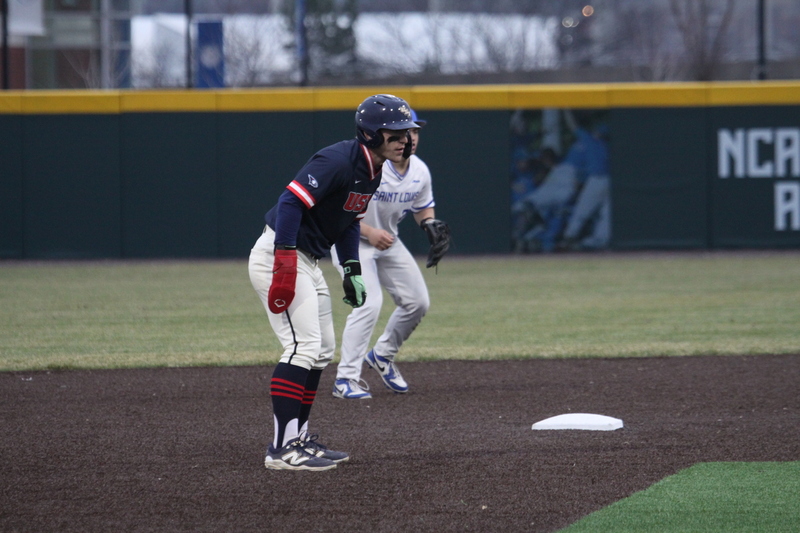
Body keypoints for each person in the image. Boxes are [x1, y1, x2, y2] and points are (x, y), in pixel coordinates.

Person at [248, 94, 419, 471]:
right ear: (371, 133)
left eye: (408, 132)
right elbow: (290, 202)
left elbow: (349, 221)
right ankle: (281, 450)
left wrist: (354, 269)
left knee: (322, 350)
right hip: (280, 255)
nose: (404, 139)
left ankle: (298, 438)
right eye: (395, 132)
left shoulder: (374, 171)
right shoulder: (338, 159)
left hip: (307, 260)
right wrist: (286, 258)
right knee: (302, 347)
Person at [330, 109, 449, 399]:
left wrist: (430, 224)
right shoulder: (370, 165)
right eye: (404, 132)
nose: (411, 138)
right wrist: (370, 232)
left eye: (415, 131)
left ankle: (382, 355)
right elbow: (338, 211)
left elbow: (423, 206)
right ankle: (346, 379)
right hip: (352, 241)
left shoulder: (419, 170)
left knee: (417, 302)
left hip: (388, 242)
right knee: (368, 304)